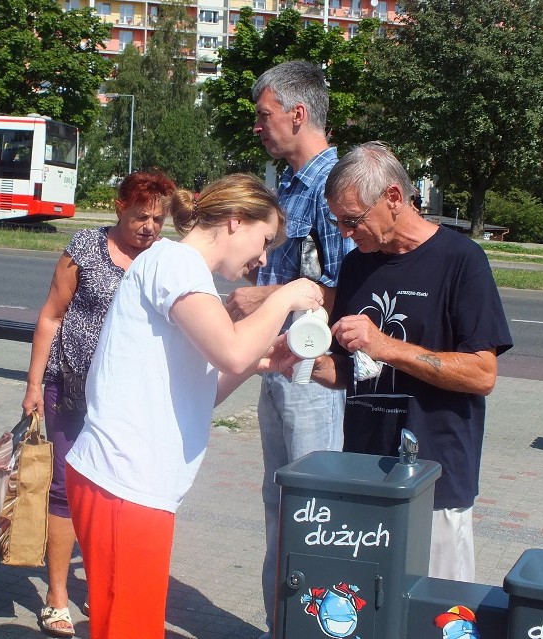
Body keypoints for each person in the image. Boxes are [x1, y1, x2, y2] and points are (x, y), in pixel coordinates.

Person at [64, 174, 324, 639]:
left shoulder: (178, 268)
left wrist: (262, 360)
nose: (262, 258)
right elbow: (230, 350)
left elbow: (210, 385)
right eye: (264, 241)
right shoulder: (178, 264)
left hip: (128, 484)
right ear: (235, 221)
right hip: (125, 482)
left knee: (126, 626)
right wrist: (285, 295)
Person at [291, 141, 512, 582]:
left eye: (352, 220)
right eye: (338, 221)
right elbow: (349, 370)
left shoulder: (461, 261)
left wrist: (385, 345)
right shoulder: (358, 265)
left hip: (436, 476)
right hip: (364, 469)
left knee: (437, 613)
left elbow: (482, 373)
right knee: (364, 607)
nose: (345, 232)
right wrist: (303, 364)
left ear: (393, 198)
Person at [224, 60, 354, 636]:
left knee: (312, 512)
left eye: (265, 115)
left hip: (313, 377)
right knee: (281, 508)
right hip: (281, 370)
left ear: (298, 115)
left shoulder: (335, 189)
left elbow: (350, 292)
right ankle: (285, 626)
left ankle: (312, 626)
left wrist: (265, 299)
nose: (258, 126)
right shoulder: (292, 187)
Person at [22, 170, 177, 638]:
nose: (148, 227)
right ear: (118, 208)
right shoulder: (86, 248)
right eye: (139, 216)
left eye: (157, 219)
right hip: (70, 386)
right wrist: (32, 384)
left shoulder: (164, 259)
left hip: (131, 398)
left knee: (117, 492)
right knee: (67, 490)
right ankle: (56, 597)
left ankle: (106, 583)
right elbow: (51, 316)